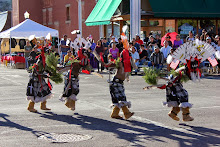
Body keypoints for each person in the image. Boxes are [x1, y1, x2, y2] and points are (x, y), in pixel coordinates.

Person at [102, 55, 134, 120]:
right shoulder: (120, 63)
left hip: (120, 83)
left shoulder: (128, 66)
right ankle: (126, 113)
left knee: (120, 98)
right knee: (121, 98)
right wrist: (107, 63)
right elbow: (111, 65)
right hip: (115, 83)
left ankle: (115, 114)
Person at [26, 48, 53, 112]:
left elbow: (45, 68)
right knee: (35, 93)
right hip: (36, 79)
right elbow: (36, 70)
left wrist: (50, 72)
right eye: (47, 53)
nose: (48, 55)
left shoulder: (44, 60)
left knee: (46, 90)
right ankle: (30, 107)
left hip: (40, 78)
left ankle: (43, 106)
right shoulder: (40, 61)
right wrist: (44, 75)